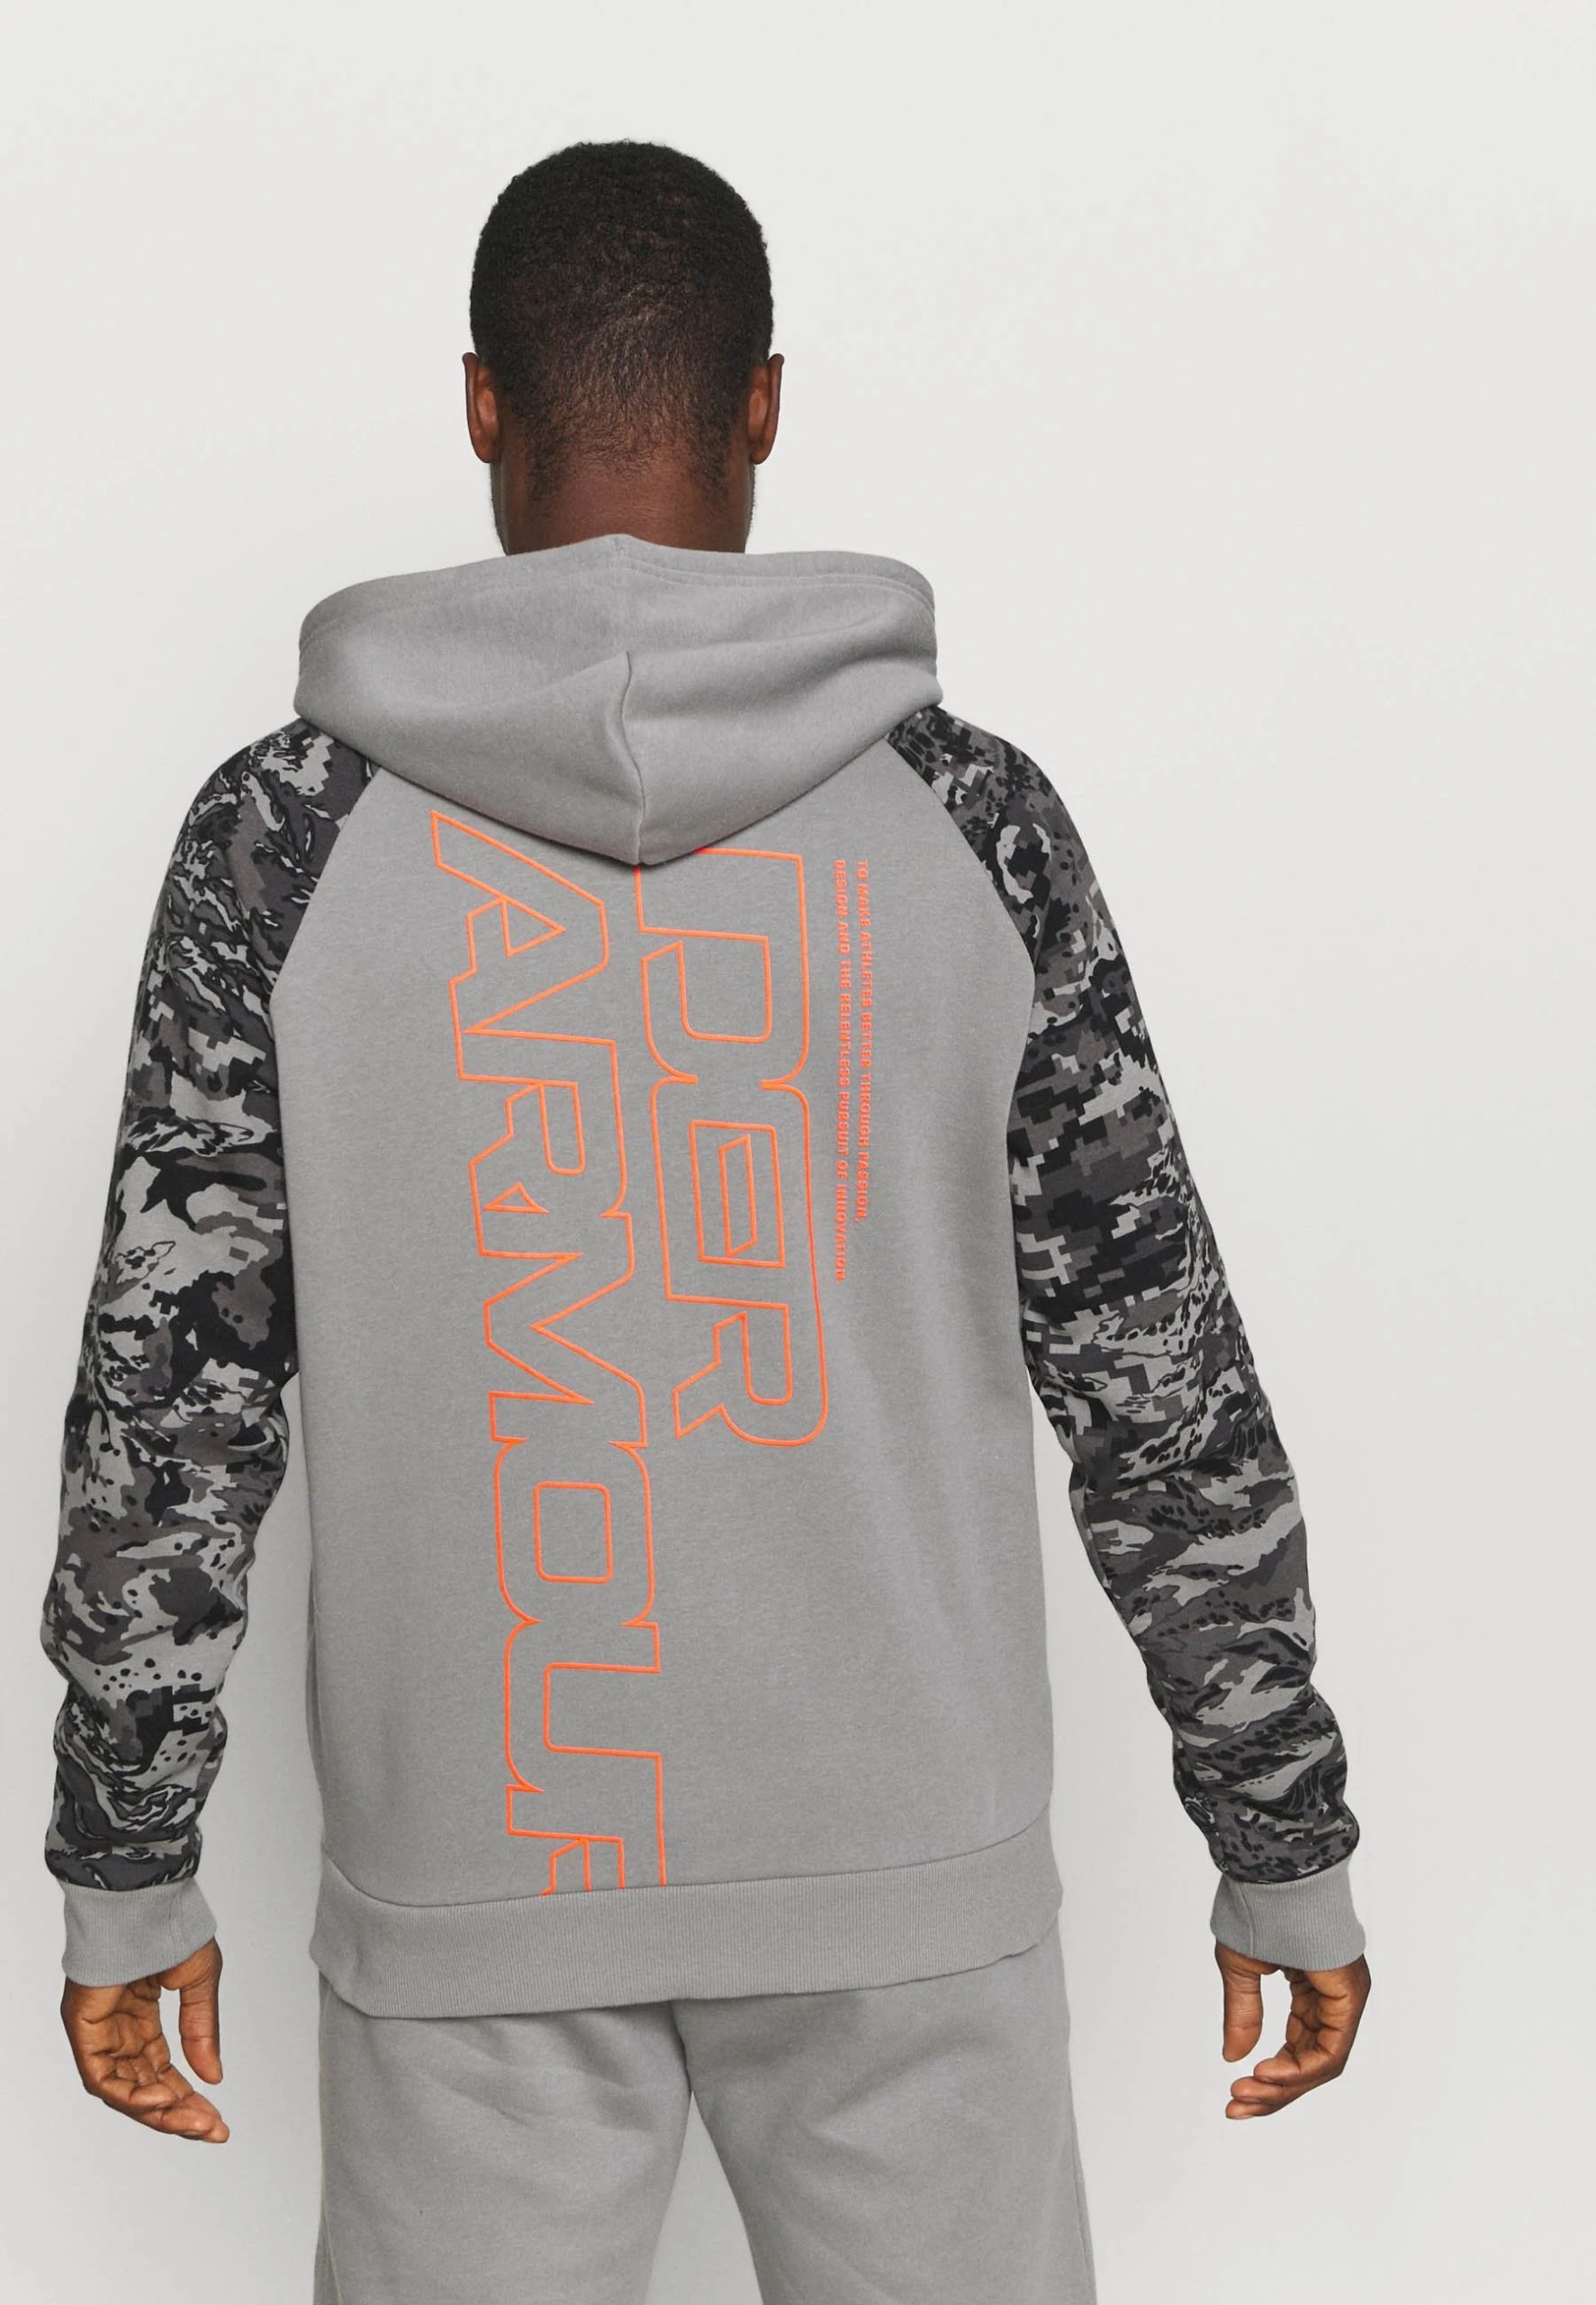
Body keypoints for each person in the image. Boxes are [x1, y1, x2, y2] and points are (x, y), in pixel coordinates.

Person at [41, 140, 1370, 2303]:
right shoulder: (971, 825)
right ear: (764, 405)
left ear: (482, 404)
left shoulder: (284, 841)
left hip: (474, 1880)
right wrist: (1280, 1833)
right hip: (907, 1879)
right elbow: (1157, 1380)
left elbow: (166, 1415)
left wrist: (125, 1868)